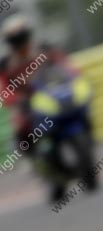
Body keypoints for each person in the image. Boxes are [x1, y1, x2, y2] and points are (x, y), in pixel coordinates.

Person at [0, 15, 74, 153]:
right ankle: (32, 152)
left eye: (22, 37)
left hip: (50, 91)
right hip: (25, 101)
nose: (20, 44)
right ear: (10, 42)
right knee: (20, 122)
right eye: (15, 40)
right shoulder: (6, 64)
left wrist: (72, 77)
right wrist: (15, 99)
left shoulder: (44, 49)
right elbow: (3, 89)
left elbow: (64, 65)